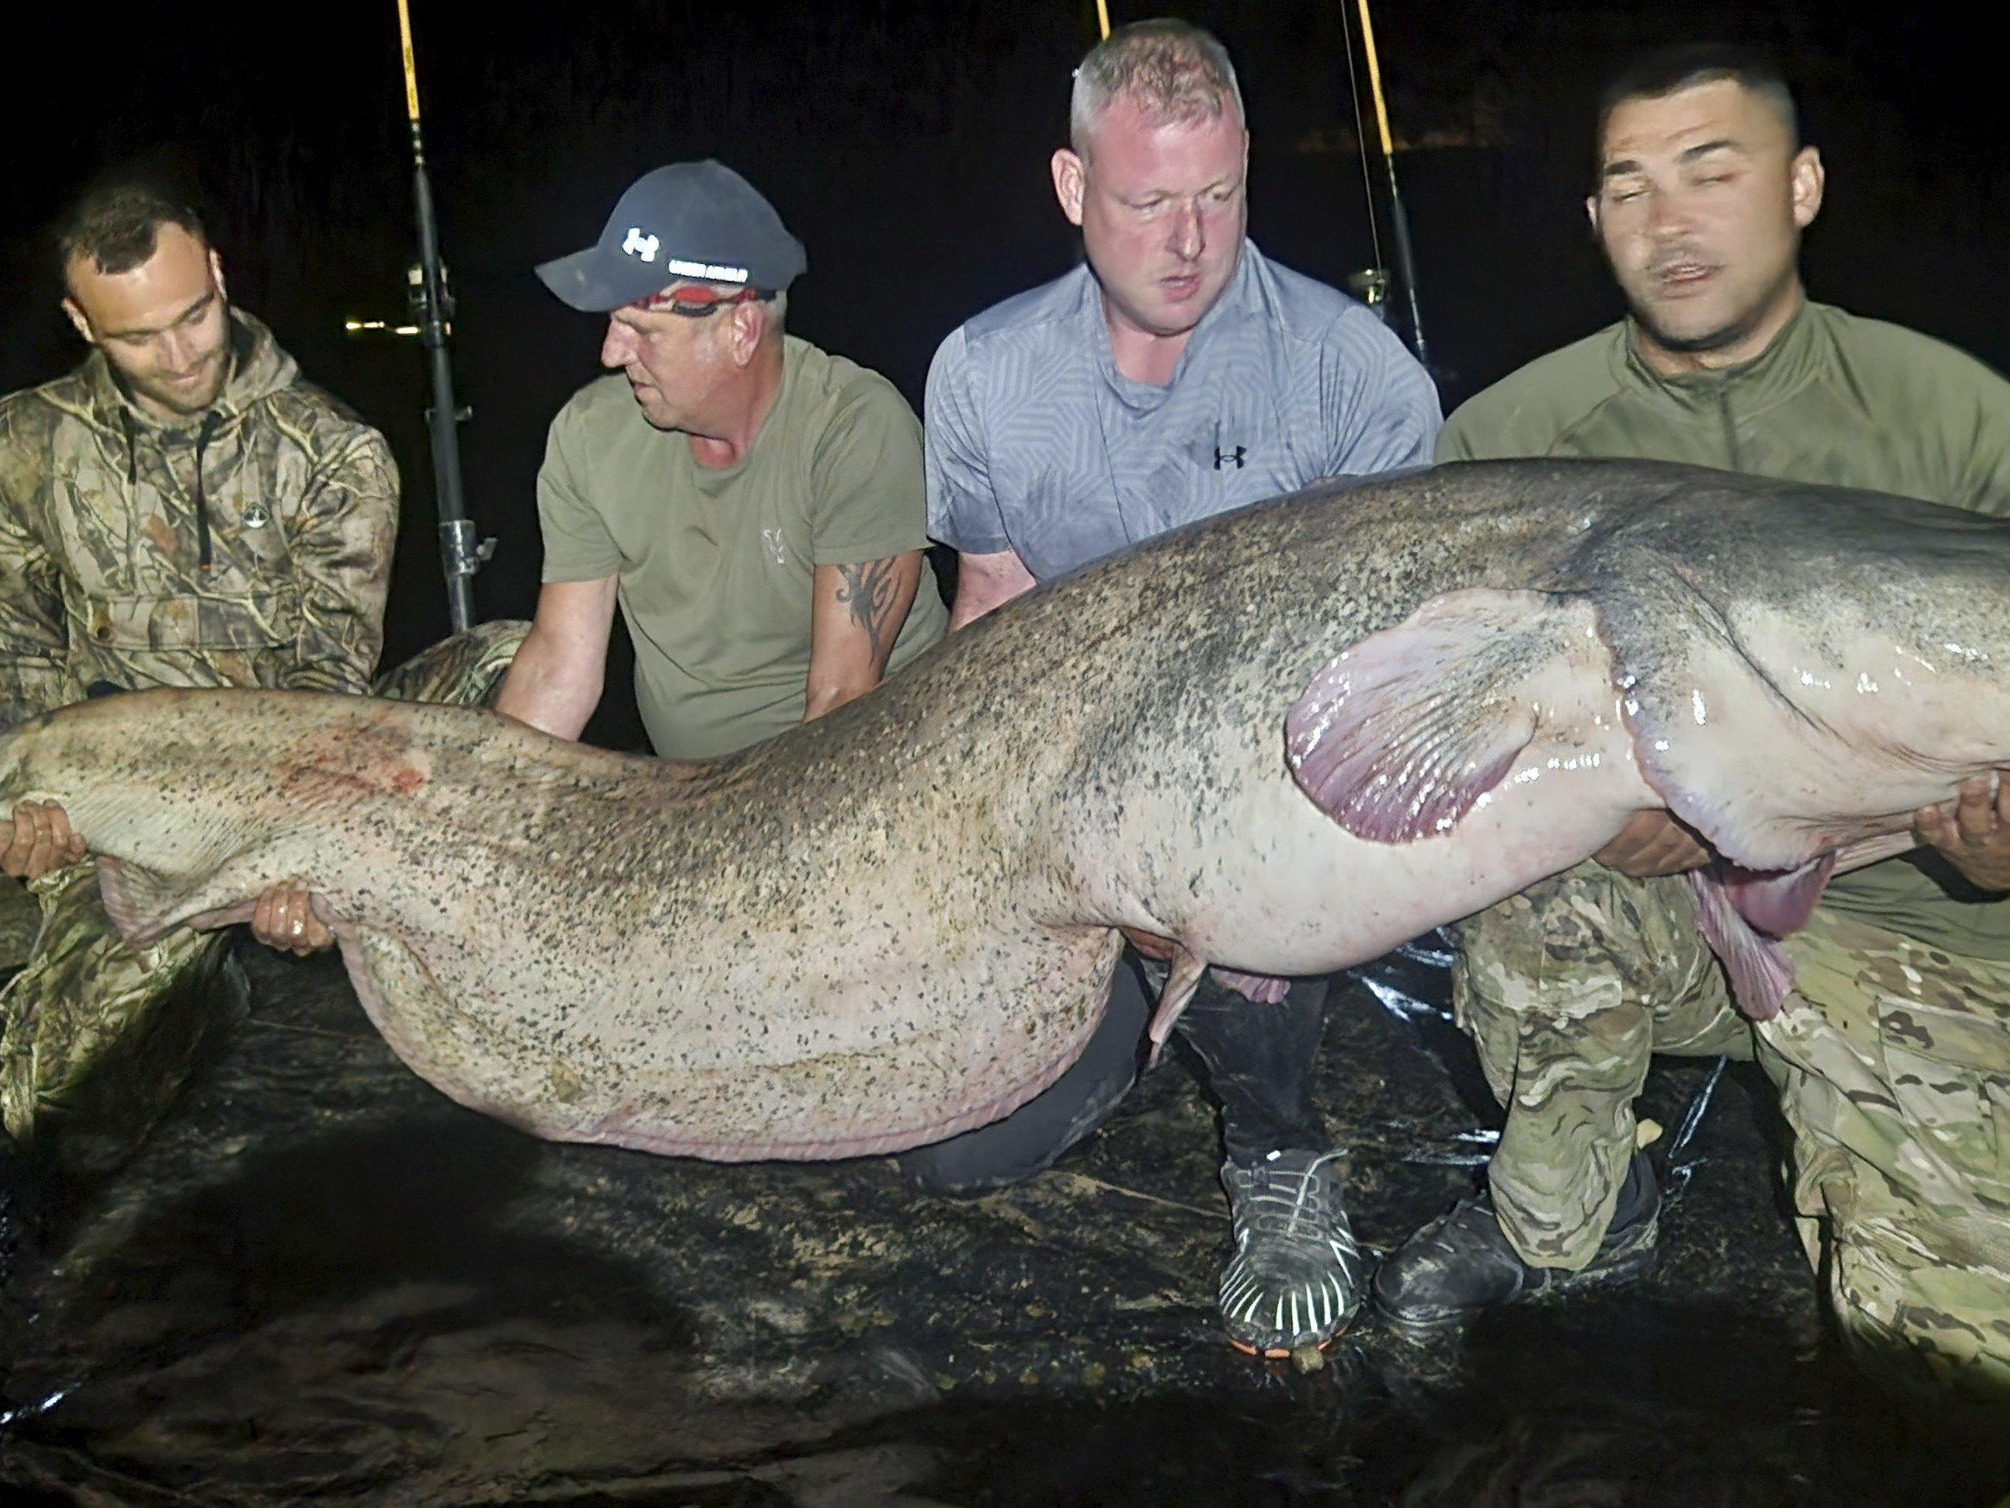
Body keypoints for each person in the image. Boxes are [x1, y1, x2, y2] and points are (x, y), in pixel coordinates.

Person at [1372, 44, 2010, 1398]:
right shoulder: (1508, 438)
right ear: (1593, 221)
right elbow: (1441, 724)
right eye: (1628, 188)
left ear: (1802, 184)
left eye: (1710, 174)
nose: (1669, 223)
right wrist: (1618, 801)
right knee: (1526, 886)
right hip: (1645, 899)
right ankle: (1576, 1212)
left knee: (1947, 1370)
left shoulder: (1953, 419)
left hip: (1908, 922)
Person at [920, 18, 1441, 1357]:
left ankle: (1279, 1158)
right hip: (1076, 814)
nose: (1188, 240)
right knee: (954, 1161)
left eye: (1217, 195)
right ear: (1072, 187)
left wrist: (1223, 871)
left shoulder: (1352, 377)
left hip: (1278, 784)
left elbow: (1380, 689)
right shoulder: (981, 375)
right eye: (1149, 200)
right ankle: (1112, 1027)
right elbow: (990, 624)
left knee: (1256, 913)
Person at [0, 180, 400, 1178]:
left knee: (493, 661)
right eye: (139, 337)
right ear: (79, 322)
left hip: (286, 775)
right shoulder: (19, 448)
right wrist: (33, 811)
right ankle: (201, 975)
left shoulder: (337, 453)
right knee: (56, 1111)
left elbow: (328, 686)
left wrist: (299, 853)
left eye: (196, 315)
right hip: (118, 806)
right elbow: (20, 659)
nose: (182, 357)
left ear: (220, 274)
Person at [496, 161, 946, 758]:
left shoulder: (855, 429)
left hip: (880, 761)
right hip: (693, 794)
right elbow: (559, 668)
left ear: (740, 330)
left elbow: (842, 699)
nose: (610, 354)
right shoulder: (588, 437)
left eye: (642, 332)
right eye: (612, 325)